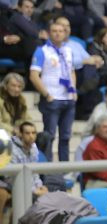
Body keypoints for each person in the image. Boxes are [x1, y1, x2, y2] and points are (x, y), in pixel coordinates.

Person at [29, 19, 76, 161]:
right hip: (52, 98)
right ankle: (47, 168)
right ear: (49, 33)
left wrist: (74, 91)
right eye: (54, 31)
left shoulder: (68, 50)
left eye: (61, 31)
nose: (58, 34)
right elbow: (33, 75)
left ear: (65, 33)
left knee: (66, 137)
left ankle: (64, 168)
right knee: (49, 136)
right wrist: (47, 94)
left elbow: (71, 71)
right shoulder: (42, 51)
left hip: (68, 98)